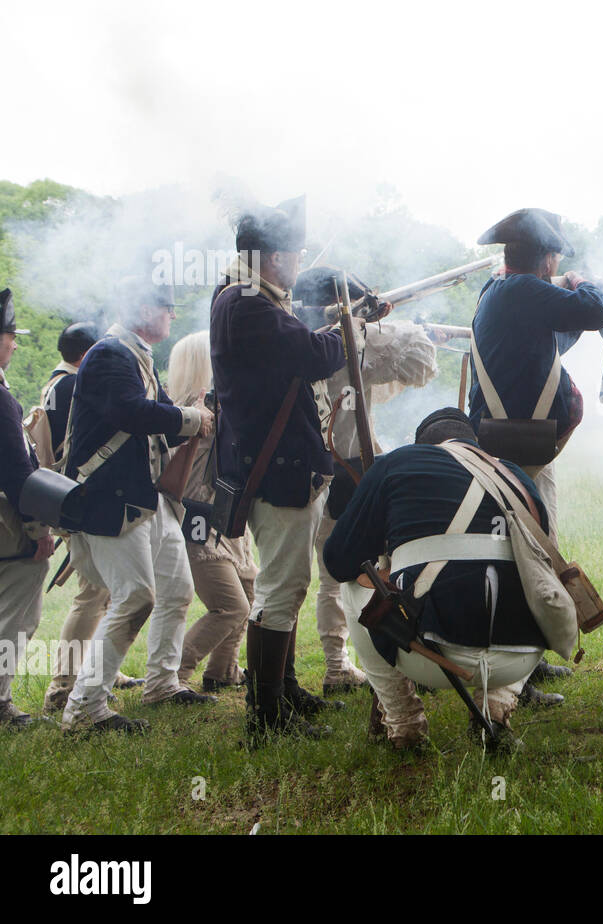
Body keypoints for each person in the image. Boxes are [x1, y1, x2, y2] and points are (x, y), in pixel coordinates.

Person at [323, 408, 555, 753]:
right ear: (474, 446)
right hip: (519, 658)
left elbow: (338, 561)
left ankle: (405, 727)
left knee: (354, 583)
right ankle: (494, 710)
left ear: (423, 446)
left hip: (429, 657)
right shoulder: (515, 475)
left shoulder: (397, 463)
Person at [210, 198, 346, 741]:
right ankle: (267, 716)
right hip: (277, 470)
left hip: (272, 464)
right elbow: (315, 354)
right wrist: (348, 328)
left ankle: (284, 690)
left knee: (284, 587)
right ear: (271, 258)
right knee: (279, 589)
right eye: (293, 252)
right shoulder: (248, 306)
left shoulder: (243, 298)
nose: (298, 261)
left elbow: (291, 344)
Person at [61, 279, 217, 734]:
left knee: (176, 590)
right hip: (113, 499)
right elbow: (131, 412)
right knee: (135, 598)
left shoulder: (136, 357)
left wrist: (202, 415)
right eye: (165, 308)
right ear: (141, 310)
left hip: (146, 498)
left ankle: (163, 682)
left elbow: (164, 427)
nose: (171, 315)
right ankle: (85, 706)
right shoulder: (111, 354)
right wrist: (192, 418)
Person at [293, 267, 438, 695]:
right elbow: (420, 359)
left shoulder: (300, 341)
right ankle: (385, 662)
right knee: (372, 573)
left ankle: (337, 665)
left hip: (312, 471)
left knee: (328, 578)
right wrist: (373, 323)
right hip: (351, 468)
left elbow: (382, 382)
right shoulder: (343, 339)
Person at [467, 207, 603, 533]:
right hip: (521, 436)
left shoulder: (498, 290)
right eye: (556, 260)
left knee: (540, 529)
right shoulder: (522, 290)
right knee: (526, 536)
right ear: (547, 260)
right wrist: (580, 281)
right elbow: (597, 311)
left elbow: (547, 347)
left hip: (521, 434)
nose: (556, 266)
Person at [37, 323, 145, 713]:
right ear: (88, 354)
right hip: (80, 495)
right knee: (92, 594)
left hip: (69, 494)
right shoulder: (71, 385)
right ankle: (64, 685)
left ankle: (99, 672)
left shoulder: (58, 384)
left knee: (106, 593)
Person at [165, 331, 253, 692]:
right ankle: (174, 674)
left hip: (225, 519)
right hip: (201, 522)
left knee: (249, 594)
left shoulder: (202, 409)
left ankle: (223, 670)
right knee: (232, 607)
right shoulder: (195, 412)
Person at [0, 289, 56, 728]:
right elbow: (18, 474)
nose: (15, 343)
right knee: (16, 619)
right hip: (9, 532)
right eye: (10, 335)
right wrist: (39, 531)